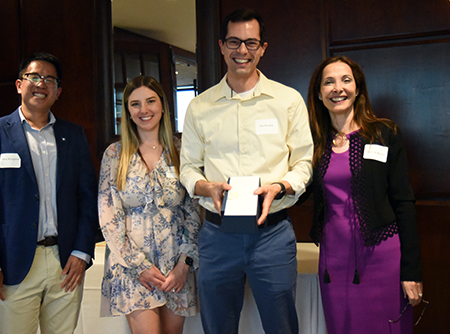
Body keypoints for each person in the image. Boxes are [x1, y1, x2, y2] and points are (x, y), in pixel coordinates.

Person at [180, 8, 313, 334]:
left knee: (281, 326)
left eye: (251, 43)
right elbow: (187, 167)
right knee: (218, 327)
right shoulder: (200, 106)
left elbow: (304, 163)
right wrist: (204, 187)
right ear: (223, 46)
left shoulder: (288, 100)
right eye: (235, 42)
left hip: (272, 235)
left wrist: (280, 187)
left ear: (263, 47)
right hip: (217, 235)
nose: (243, 51)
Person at [0, 52, 99, 334]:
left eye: (50, 79)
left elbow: (87, 198)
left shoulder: (73, 136)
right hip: (14, 263)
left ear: (58, 91)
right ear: (19, 84)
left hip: (66, 262)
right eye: (34, 77)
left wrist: (82, 251)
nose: (42, 83)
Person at [306, 55, 423, 333]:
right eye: (329, 82)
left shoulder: (384, 133)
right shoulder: (312, 143)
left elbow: (404, 203)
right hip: (333, 262)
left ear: (357, 89)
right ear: (319, 94)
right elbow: (298, 191)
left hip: (382, 257)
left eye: (346, 80)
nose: (338, 88)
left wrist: (412, 271)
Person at [98, 75, 200, 334]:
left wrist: (184, 263)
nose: (144, 110)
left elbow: (194, 212)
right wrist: (138, 265)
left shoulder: (182, 151)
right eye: (135, 104)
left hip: (176, 267)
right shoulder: (115, 155)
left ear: (163, 105)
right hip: (133, 268)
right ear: (127, 112)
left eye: (151, 101)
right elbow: (109, 216)